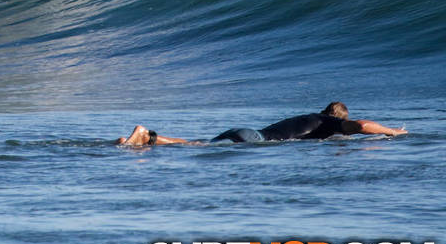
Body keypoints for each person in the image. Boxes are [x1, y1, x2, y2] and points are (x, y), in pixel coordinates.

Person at [116, 102, 407, 146]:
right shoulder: (331, 124)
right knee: (197, 146)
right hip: (256, 140)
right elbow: (364, 124)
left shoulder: (310, 116)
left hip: (245, 130)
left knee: (197, 145)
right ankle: (145, 137)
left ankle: (147, 137)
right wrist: (392, 132)